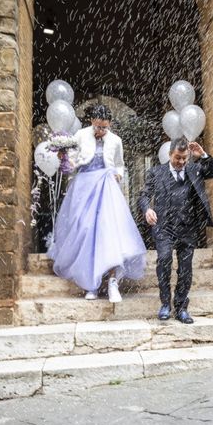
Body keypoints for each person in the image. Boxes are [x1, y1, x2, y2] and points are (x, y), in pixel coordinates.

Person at [48, 104, 146, 302]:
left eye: (105, 127)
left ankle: (112, 281)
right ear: (92, 121)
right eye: (98, 126)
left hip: (107, 187)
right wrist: (64, 158)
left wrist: (117, 175)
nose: (101, 131)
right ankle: (90, 283)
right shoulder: (80, 135)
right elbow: (71, 164)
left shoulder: (116, 140)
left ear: (109, 125)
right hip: (84, 185)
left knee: (108, 231)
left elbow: (119, 163)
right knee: (85, 232)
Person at [138, 137, 213, 324]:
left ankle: (182, 307)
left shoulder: (195, 169)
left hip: (187, 226)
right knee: (164, 260)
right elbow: (143, 195)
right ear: (170, 154)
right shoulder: (156, 172)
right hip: (163, 226)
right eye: (178, 158)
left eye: (184, 158)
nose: (181, 162)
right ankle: (165, 303)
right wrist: (147, 209)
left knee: (185, 270)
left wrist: (203, 155)